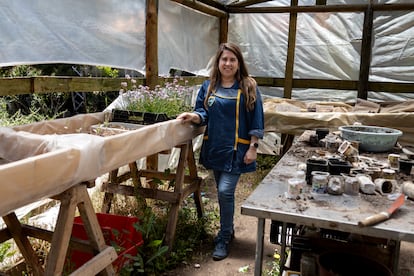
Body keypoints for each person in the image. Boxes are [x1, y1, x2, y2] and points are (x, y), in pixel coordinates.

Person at [177, 42, 264, 261]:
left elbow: (257, 118)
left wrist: (253, 147)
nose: (228, 63)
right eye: (224, 59)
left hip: (238, 150)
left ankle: (224, 236)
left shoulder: (248, 86)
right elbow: (202, 113)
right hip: (215, 148)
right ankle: (229, 229)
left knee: (225, 192)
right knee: (222, 191)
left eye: (232, 60)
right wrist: (193, 117)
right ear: (218, 62)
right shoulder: (209, 86)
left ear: (238, 63)